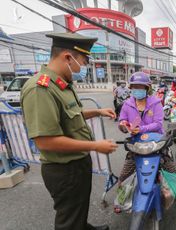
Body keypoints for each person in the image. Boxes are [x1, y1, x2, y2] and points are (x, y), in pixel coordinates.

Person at [21, 33, 118, 230]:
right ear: (67, 57)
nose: (82, 68)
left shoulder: (62, 84)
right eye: (82, 62)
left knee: (78, 208)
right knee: (68, 219)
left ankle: (82, 225)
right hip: (64, 169)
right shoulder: (41, 89)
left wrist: (97, 111)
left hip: (77, 164)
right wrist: (95, 145)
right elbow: (45, 141)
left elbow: (71, 115)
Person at [118, 72, 176, 215]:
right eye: (134, 87)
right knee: (124, 174)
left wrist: (140, 129)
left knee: (170, 168)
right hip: (137, 144)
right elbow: (121, 120)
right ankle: (121, 199)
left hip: (157, 142)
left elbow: (158, 124)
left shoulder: (155, 102)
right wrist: (123, 126)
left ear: (147, 88)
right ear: (131, 88)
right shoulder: (127, 103)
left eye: (141, 87)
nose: (137, 90)